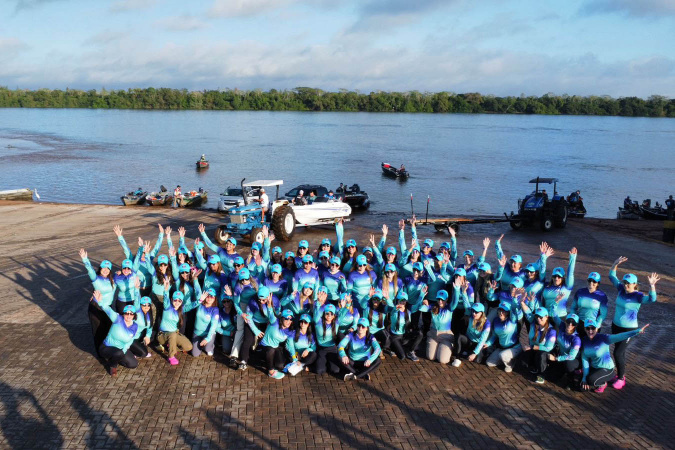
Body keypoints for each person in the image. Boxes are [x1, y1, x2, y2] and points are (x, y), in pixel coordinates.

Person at [607, 257, 659, 389]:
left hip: (628, 329)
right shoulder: (621, 289)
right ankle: (619, 373)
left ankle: (621, 378)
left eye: (628, 283)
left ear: (634, 284)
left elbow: (652, 299)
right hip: (616, 325)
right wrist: (615, 263)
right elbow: (611, 276)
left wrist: (652, 285)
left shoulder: (638, 296)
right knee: (619, 352)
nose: (625, 285)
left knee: (618, 353)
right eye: (625, 282)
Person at [580, 319, 650, 393]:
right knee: (582, 387)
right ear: (585, 329)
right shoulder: (584, 341)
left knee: (591, 380)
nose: (590, 331)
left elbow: (620, 336)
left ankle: (603, 383)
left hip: (606, 368)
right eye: (588, 328)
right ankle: (604, 378)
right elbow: (585, 359)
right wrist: (584, 378)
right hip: (594, 367)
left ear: (596, 329)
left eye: (593, 328)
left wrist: (636, 331)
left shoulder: (604, 338)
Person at [91, 291, 139, 376]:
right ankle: (112, 365)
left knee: (133, 364)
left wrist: (124, 350)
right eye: (126, 313)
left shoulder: (135, 326)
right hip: (106, 347)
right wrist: (100, 302)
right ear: (123, 314)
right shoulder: (117, 319)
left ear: (134, 315)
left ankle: (115, 358)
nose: (128, 315)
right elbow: (107, 309)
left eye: (131, 313)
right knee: (119, 353)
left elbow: (130, 341)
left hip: (120, 349)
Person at [79, 249, 115, 356]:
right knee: (98, 331)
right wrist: (85, 259)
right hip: (96, 307)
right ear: (100, 269)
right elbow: (90, 270)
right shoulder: (96, 279)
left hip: (107, 307)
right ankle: (100, 353)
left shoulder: (113, 280)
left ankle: (108, 351)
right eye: (103, 268)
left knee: (109, 329)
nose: (105, 270)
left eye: (107, 269)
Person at [238, 286, 275, 371]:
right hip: (253, 320)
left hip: (267, 322)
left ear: (268, 297)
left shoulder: (275, 301)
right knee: (248, 340)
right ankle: (243, 361)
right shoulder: (253, 301)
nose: (261, 302)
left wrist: (269, 306)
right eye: (259, 300)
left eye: (263, 300)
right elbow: (248, 318)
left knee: (266, 342)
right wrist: (256, 331)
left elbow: (273, 320)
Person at [158, 284, 195, 365]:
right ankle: (171, 356)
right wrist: (166, 290)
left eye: (179, 300)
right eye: (175, 300)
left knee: (189, 346)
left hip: (173, 335)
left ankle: (171, 346)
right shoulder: (167, 307)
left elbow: (191, 306)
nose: (177, 302)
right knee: (172, 334)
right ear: (171, 300)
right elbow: (165, 298)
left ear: (182, 302)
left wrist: (200, 300)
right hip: (163, 335)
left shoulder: (182, 309)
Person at [520, 306, 557, 384]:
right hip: (534, 349)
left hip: (545, 352)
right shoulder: (534, 323)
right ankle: (534, 367)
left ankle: (542, 375)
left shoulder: (552, 331)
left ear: (547, 317)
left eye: (541, 317)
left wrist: (533, 347)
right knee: (524, 362)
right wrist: (521, 301)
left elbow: (548, 348)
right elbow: (527, 312)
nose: (538, 318)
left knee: (541, 355)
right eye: (537, 316)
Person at [420, 290, 457, 365]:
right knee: (430, 357)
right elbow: (419, 308)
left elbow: (455, 302)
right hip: (433, 335)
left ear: (446, 299)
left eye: (442, 299)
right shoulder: (433, 307)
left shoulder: (450, 308)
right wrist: (421, 297)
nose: (440, 301)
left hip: (445, 336)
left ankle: (448, 347)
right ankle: (438, 347)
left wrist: (456, 289)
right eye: (438, 299)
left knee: (443, 360)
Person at [547, 313, 582, 390]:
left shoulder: (576, 339)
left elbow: (571, 356)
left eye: (573, 323)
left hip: (573, 360)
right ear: (565, 321)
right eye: (568, 321)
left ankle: (572, 379)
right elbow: (554, 314)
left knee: (568, 363)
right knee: (551, 377)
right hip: (561, 357)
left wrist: (556, 359)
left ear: (576, 325)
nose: (570, 324)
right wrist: (555, 302)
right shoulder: (562, 325)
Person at [485, 301, 521, 373]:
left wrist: (514, 298)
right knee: (489, 362)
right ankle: (505, 359)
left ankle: (511, 364)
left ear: (508, 312)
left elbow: (513, 309)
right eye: (500, 310)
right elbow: (494, 336)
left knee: (503, 355)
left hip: (514, 347)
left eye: (504, 311)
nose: (501, 313)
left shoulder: (512, 320)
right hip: (502, 348)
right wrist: (487, 344)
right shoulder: (495, 321)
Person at [570, 272, 608, 338]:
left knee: (589, 347)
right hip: (580, 323)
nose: (591, 283)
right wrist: (573, 320)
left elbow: (603, 314)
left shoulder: (602, 296)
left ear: (598, 283)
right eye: (589, 280)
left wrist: (597, 326)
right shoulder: (580, 292)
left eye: (594, 281)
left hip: (592, 326)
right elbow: (573, 307)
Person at [260, 309, 295, 379]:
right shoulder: (274, 322)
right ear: (282, 318)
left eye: (291, 319)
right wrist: (269, 305)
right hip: (264, 347)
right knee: (270, 350)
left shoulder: (290, 331)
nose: (289, 321)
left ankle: (268, 363)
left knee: (280, 365)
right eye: (286, 319)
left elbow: (290, 345)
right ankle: (271, 372)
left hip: (275, 347)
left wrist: (294, 357)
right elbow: (270, 312)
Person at [387, 293, 423, 362]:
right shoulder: (394, 310)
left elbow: (417, 304)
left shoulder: (408, 311)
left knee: (419, 333)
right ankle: (392, 347)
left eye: (404, 300)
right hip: (395, 337)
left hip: (404, 336)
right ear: (397, 300)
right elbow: (392, 307)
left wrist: (422, 295)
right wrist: (387, 298)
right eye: (400, 299)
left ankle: (410, 351)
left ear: (406, 301)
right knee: (402, 356)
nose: (402, 301)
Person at [191, 289, 220, 357]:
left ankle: (211, 345)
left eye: (212, 296)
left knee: (207, 349)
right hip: (197, 333)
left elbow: (213, 326)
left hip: (208, 334)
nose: (209, 298)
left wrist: (207, 338)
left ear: (215, 298)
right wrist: (195, 279)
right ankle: (201, 344)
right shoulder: (200, 304)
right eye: (208, 296)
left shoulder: (215, 309)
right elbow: (196, 288)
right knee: (195, 354)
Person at [313, 303, 341, 375]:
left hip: (332, 348)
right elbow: (316, 312)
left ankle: (329, 363)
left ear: (334, 315)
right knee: (320, 371)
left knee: (335, 370)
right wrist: (318, 303)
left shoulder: (337, 322)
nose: (329, 315)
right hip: (321, 348)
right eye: (327, 313)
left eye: (332, 314)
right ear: (324, 314)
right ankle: (324, 363)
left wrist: (345, 306)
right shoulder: (318, 321)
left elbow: (342, 313)